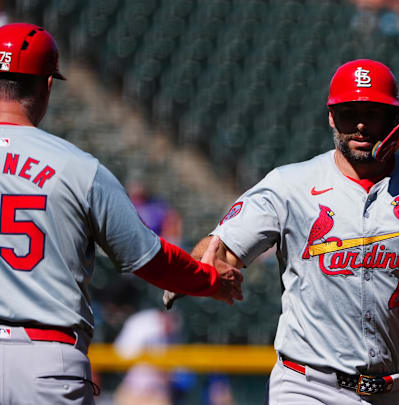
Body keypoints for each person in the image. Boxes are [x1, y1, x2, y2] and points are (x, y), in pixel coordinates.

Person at [166, 59, 399, 404]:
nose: (359, 124)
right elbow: (220, 248)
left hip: (387, 391)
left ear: (394, 118)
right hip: (305, 386)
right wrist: (188, 269)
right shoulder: (289, 186)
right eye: (347, 113)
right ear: (330, 117)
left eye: (372, 112)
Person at [0, 23, 243, 404]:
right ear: (47, 86)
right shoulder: (78, 168)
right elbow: (150, 259)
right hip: (44, 362)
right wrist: (211, 280)